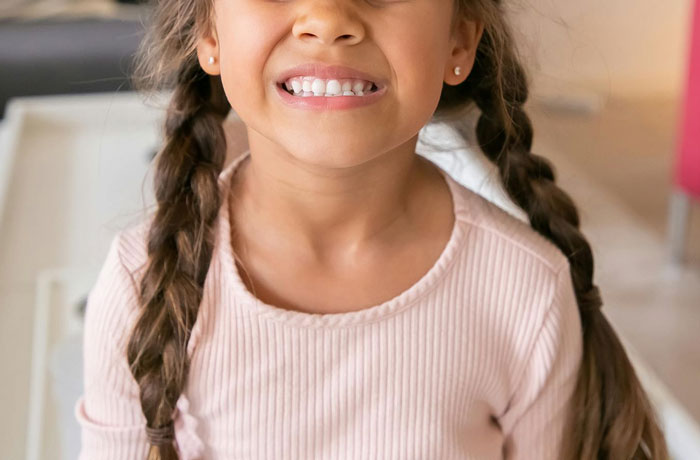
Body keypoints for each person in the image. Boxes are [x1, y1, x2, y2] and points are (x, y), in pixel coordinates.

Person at [74, 0, 669, 458]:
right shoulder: (139, 285)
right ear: (209, 34)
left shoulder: (526, 292)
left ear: (459, 38)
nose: (329, 20)